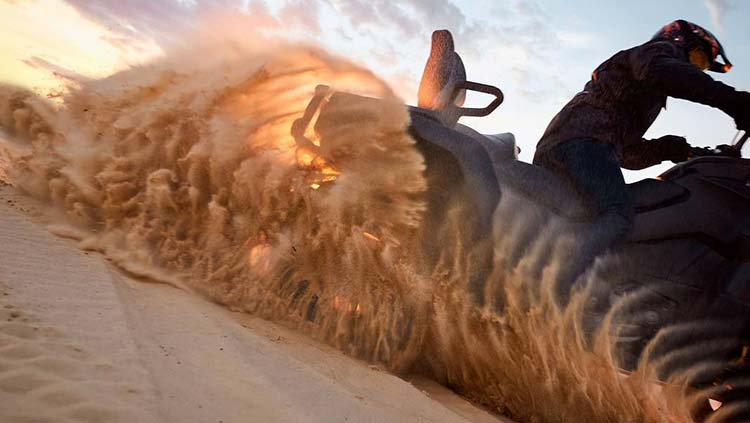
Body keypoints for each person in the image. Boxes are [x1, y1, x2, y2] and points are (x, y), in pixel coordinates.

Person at [533, 19, 750, 296]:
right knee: (620, 214)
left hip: (574, 144)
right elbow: (664, 73)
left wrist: (679, 150)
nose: (696, 68)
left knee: (602, 216)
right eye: (697, 59)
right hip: (581, 142)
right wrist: (733, 101)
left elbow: (629, 155)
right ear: (679, 40)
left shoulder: (636, 91)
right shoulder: (655, 54)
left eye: (703, 66)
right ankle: (557, 288)